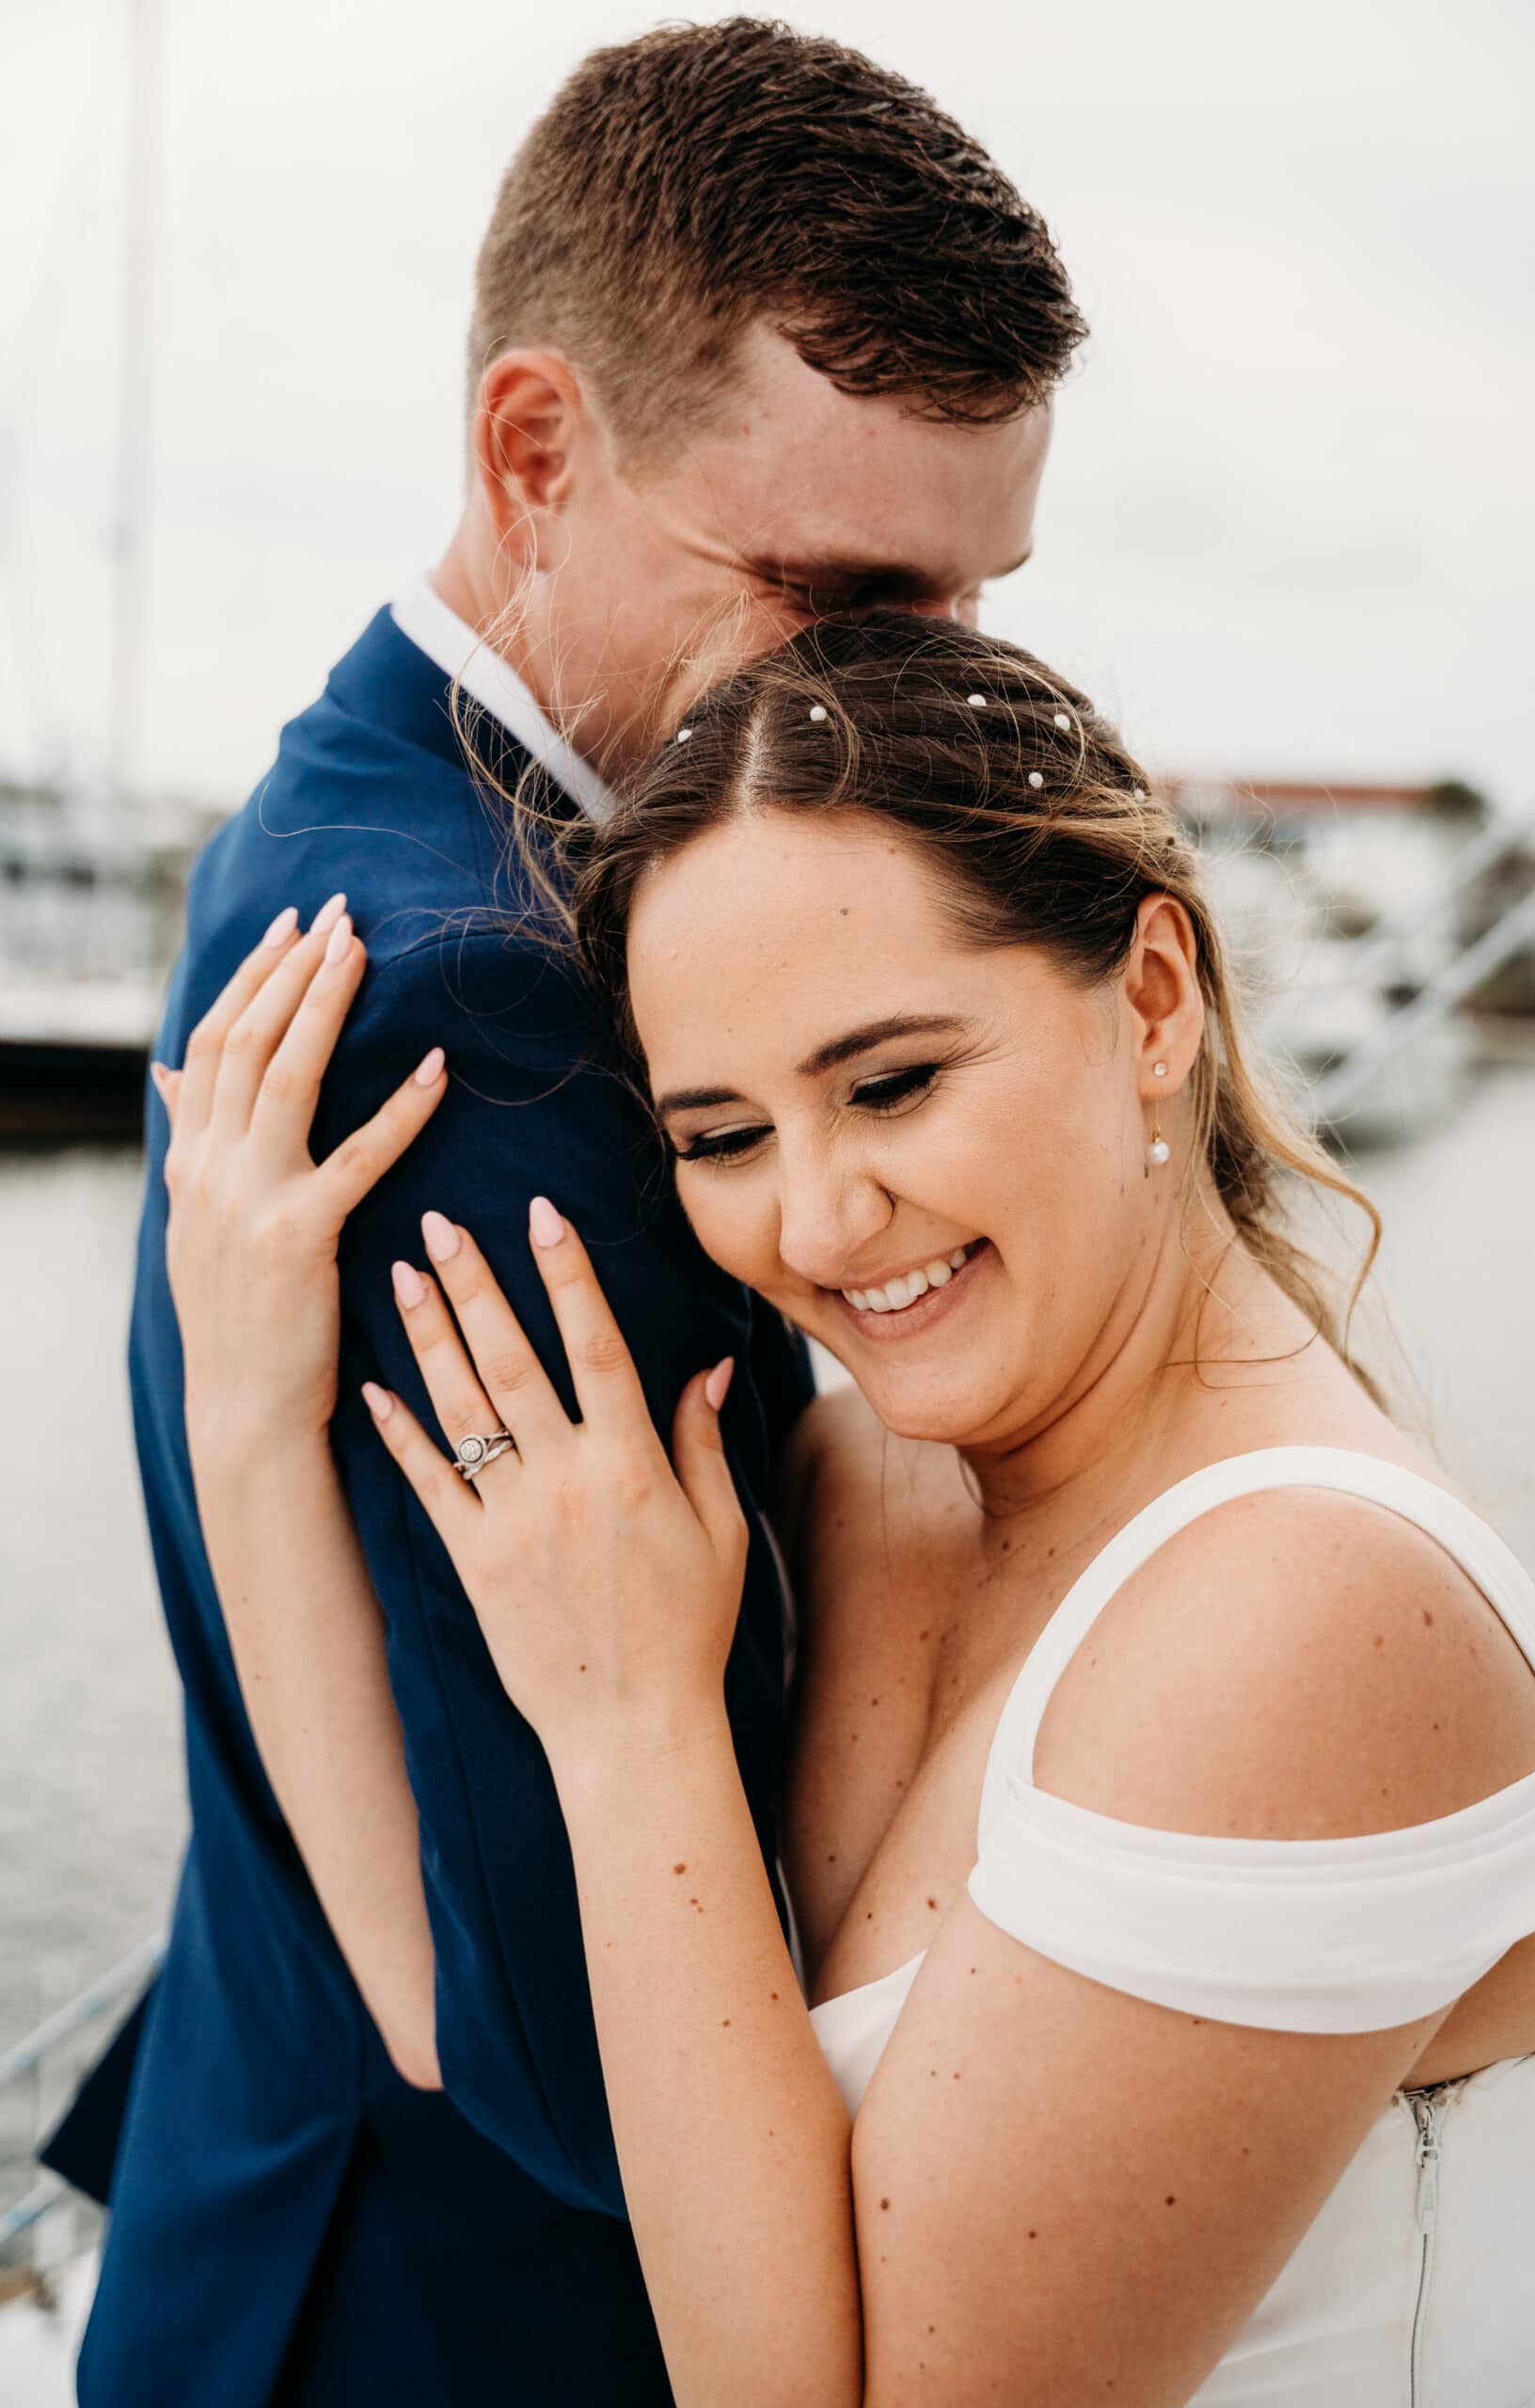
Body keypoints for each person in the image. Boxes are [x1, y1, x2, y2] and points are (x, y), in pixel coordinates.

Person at [151, 610, 1535, 2403]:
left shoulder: (1296, 1609)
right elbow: (454, 2022)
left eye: (894, 1084)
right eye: (723, 1137)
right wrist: (243, 1418)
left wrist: (638, 1731)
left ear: (1155, 1000)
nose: (823, 1227)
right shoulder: (866, 1483)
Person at [41, 24, 1082, 2406]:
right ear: (534, 453)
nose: (917, 700)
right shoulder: (511, 1022)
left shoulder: (321, 794)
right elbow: (581, 2045)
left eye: (969, 605)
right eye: (834, 590)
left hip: (268, 2183)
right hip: (454, 2313)